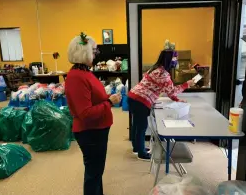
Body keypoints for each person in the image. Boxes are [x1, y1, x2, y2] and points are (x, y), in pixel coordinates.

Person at [65, 32, 121, 195]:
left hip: (97, 129)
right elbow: (85, 113)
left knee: (96, 172)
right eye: (94, 51)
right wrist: (109, 102)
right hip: (90, 132)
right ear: (85, 52)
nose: (96, 55)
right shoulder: (76, 77)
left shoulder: (84, 72)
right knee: (93, 174)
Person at [128, 40, 195, 161]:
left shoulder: (155, 68)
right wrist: (187, 84)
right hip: (141, 101)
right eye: (175, 59)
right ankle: (141, 153)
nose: (176, 62)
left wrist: (176, 99)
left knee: (137, 125)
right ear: (169, 60)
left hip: (133, 97)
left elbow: (168, 91)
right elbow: (172, 90)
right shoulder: (163, 74)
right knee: (142, 127)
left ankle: (137, 148)